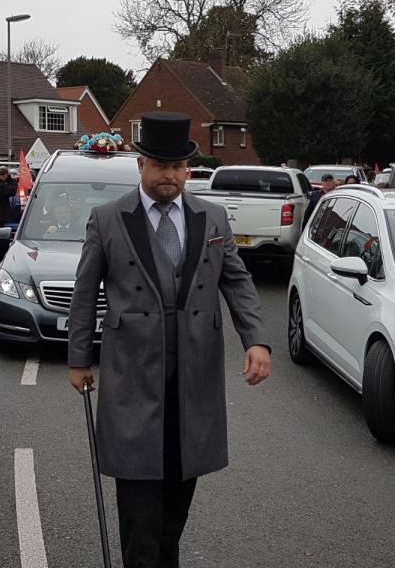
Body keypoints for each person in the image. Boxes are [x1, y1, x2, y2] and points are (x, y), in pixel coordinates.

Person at [67, 112, 271, 568]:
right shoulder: (108, 219)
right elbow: (84, 294)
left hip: (193, 383)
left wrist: (256, 339)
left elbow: (236, 281)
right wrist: (78, 358)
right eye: (161, 166)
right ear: (141, 165)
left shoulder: (212, 216)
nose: (171, 176)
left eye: (179, 167)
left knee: (173, 515)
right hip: (133, 380)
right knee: (141, 516)